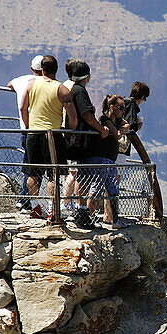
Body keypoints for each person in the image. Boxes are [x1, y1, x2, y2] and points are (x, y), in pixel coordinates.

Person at [20, 55, 77, 219]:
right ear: (56, 70)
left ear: (42, 69)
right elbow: (72, 117)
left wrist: (29, 126)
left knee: (33, 173)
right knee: (53, 173)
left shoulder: (31, 85)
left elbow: (23, 107)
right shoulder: (62, 89)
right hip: (53, 135)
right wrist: (70, 133)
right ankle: (52, 209)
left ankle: (35, 206)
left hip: (33, 134)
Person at [66, 60, 111, 228]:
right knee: (83, 176)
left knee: (83, 175)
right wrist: (101, 129)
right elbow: (87, 115)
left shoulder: (74, 89)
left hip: (78, 140)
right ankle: (81, 211)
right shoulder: (80, 91)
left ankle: (81, 209)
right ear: (87, 75)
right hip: (82, 142)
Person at [87, 95, 129, 228]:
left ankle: (114, 220)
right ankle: (89, 218)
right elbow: (117, 134)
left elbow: (126, 124)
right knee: (96, 190)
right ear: (112, 107)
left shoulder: (116, 119)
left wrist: (122, 125)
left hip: (111, 160)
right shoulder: (105, 119)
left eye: (124, 108)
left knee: (113, 190)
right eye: (120, 108)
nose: (123, 110)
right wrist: (122, 129)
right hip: (103, 160)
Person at [7, 55, 43, 210]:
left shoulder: (22, 80)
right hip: (39, 129)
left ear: (31, 68)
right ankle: (25, 200)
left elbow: (9, 84)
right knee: (36, 169)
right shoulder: (45, 83)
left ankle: (25, 200)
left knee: (30, 165)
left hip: (25, 129)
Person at [120, 80, 151, 165]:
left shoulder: (123, 102)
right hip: (120, 146)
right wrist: (138, 126)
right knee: (118, 172)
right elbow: (129, 126)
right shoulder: (131, 104)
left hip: (114, 144)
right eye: (145, 98)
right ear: (142, 97)